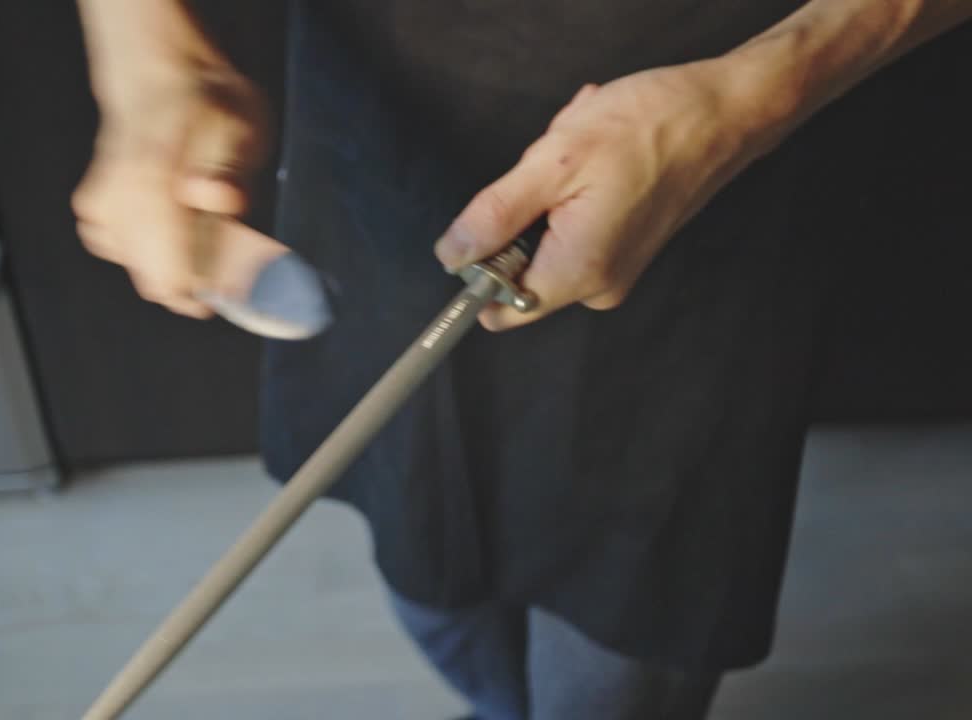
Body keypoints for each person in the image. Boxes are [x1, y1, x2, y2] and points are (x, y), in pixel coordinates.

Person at [70, 2, 972, 718]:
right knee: (423, 552)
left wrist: (755, 95)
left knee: (626, 617)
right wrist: (144, 48)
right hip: (378, 116)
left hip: (707, 132)